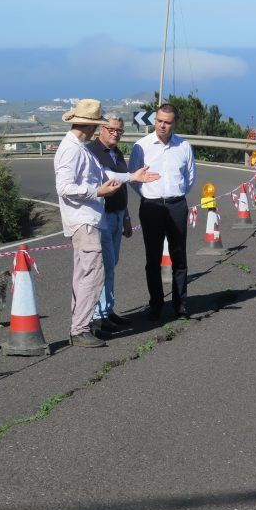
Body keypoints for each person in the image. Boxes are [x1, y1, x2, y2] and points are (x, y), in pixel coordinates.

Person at [54, 99, 159, 348]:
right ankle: (80, 329)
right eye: (97, 126)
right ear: (90, 126)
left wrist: (131, 176)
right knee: (91, 274)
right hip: (84, 220)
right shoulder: (71, 149)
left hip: (89, 219)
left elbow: (104, 174)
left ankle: (81, 325)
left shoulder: (79, 147)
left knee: (87, 274)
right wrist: (97, 192)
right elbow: (65, 187)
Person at [129, 103, 196, 320]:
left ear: (174, 123)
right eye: (159, 121)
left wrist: (176, 194)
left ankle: (181, 304)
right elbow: (133, 177)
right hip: (152, 206)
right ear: (154, 120)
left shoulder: (184, 146)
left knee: (179, 257)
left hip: (177, 205)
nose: (162, 126)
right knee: (153, 258)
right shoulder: (141, 146)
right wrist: (149, 194)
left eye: (167, 122)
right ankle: (156, 303)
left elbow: (190, 176)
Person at [88, 114, 132, 335]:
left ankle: (107, 310)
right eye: (112, 129)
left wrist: (126, 217)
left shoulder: (116, 153)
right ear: (101, 129)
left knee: (111, 265)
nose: (116, 134)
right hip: (101, 216)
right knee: (102, 266)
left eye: (119, 131)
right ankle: (97, 317)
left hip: (118, 213)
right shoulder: (92, 152)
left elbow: (122, 185)